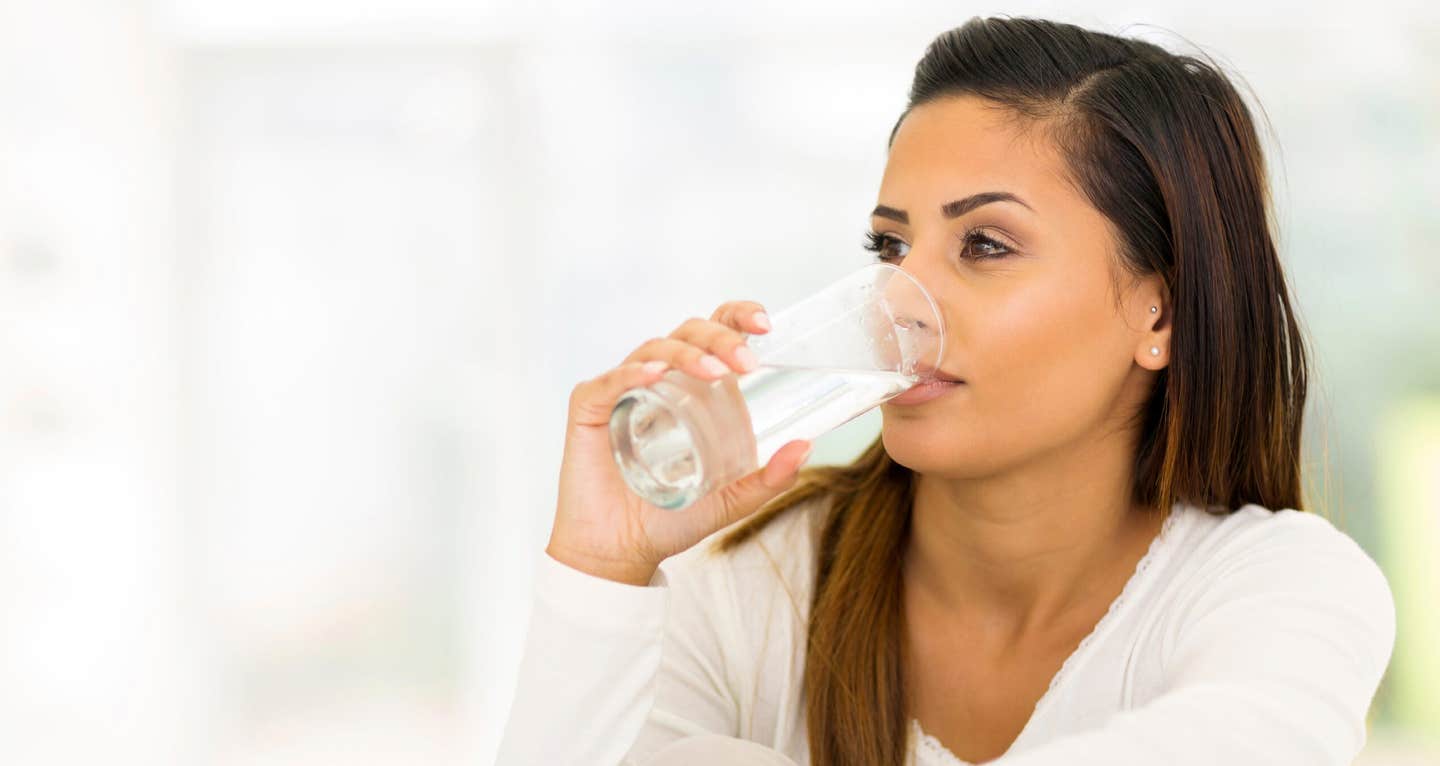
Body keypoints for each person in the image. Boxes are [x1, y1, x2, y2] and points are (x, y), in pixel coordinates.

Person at [496, 15, 1396, 766]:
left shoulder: (1280, 590)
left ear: (1158, 313)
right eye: (891, 248)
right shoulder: (748, 584)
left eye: (986, 246)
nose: (900, 303)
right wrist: (605, 568)